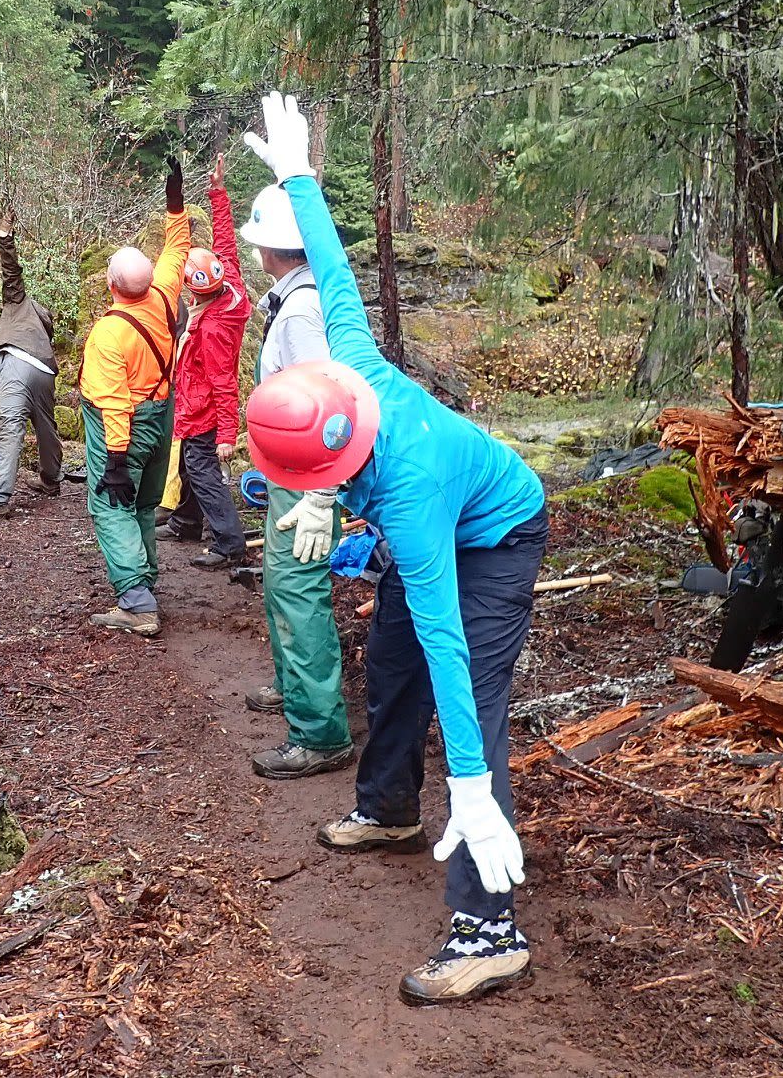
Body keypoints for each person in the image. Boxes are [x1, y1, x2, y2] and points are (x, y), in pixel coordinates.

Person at [241, 92, 548, 1007]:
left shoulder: (409, 500)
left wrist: (472, 784)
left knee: (468, 697)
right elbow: (333, 265)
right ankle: (389, 809)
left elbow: (450, 639)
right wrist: (299, 176)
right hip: (435, 514)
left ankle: (490, 931)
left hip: (496, 535)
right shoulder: (348, 359)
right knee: (389, 659)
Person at [235, 179, 354, 782]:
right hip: (292, 468)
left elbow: (326, 402)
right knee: (282, 583)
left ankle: (320, 732)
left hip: (310, 475)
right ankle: (294, 686)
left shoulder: (303, 310)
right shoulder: (292, 298)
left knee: (298, 587)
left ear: (272, 248)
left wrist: (320, 493)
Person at [77, 158, 190, 637]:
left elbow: (114, 404)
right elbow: (178, 249)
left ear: (111, 285)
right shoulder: (164, 294)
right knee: (143, 505)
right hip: (162, 418)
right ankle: (145, 582)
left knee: (111, 504)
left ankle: (137, 603)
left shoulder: (109, 333)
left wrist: (116, 461)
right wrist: (175, 203)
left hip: (128, 427)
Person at [163, 155, 252, 570]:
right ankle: (185, 522)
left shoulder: (214, 327)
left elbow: (224, 382)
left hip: (205, 409)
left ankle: (229, 543)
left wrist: (227, 435)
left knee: (202, 470)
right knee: (188, 463)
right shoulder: (228, 281)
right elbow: (227, 243)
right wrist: (218, 192)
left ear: (195, 290)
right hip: (195, 404)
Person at [0, 204, 63, 518]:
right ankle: (51, 479)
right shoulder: (43, 326)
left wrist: (4, 237)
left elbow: (12, 271)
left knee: (11, 426)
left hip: (17, 360)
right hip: (45, 369)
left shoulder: (19, 302)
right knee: (46, 425)